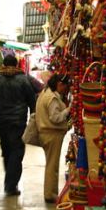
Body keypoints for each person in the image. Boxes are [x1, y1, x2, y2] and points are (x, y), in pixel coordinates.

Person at [0, 54, 36, 196]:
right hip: (18, 121)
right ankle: (11, 185)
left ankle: (9, 181)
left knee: (6, 151)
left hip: (2, 119)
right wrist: (32, 116)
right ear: (16, 65)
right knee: (17, 151)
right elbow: (31, 100)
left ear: (3, 63)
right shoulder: (23, 79)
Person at [36, 74, 71, 203]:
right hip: (52, 134)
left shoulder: (45, 93)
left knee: (51, 164)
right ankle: (50, 194)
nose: (64, 90)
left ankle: (50, 192)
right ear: (59, 84)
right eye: (64, 87)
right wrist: (68, 110)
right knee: (52, 165)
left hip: (46, 133)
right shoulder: (52, 98)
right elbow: (55, 118)